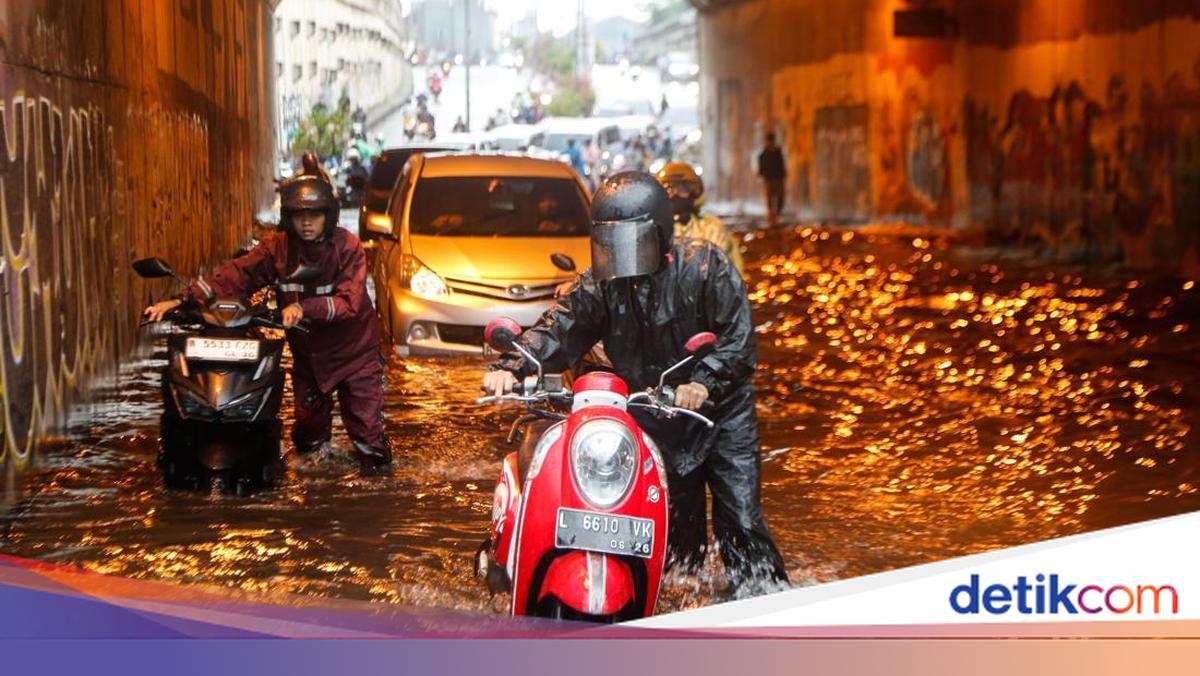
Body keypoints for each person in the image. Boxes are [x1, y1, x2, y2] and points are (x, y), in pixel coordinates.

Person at [482, 172, 788, 596]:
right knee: (674, 538)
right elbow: (559, 327)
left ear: (660, 235)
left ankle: (762, 603)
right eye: (611, 243)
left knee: (740, 519)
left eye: (633, 243)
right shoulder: (601, 284)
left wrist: (704, 381)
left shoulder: (706, 267)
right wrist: (513, 366)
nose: (622, 255)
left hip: (720, 416)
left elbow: (738, 340)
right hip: (655, 414)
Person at [143, 164, 392, 471]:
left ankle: (379, 484)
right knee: (309, 442)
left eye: (314, 215)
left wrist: (304, 308)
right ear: (288, 218)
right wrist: (182, 299)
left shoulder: (347, 247)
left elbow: (349, 303)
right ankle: (316, 493)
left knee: (368, 439)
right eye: (299, 216)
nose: (306, 223)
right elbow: (236, 275)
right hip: (309, 360)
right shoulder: (277, 248)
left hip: (355, 356)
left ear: (329, 216)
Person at [656, 161, 743, 273]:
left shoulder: (711, 228)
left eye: (682, 188)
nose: (675, 193)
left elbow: (728, 272)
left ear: (694, 192)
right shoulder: (652, 230)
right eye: (669, 189)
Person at [757, 132, 787, 226]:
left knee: (780, 198)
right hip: (769, 179)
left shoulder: (778, 152)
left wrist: (783, 175)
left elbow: (782, 165)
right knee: (770, 198)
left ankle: (776, 214)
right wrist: (763, 174)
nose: (771, 143)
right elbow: (761, 168)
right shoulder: (763, 154)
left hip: (778, 179)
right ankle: (771, 216)